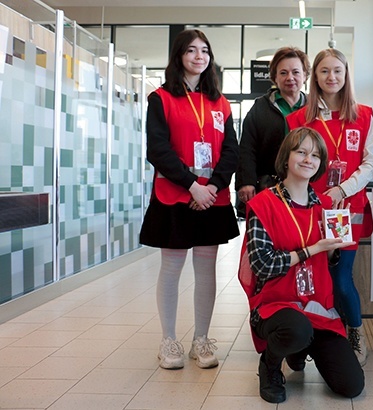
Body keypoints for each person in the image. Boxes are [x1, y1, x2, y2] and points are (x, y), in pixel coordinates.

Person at [238, 127, 365, 404]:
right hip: (275, 304)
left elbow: (328, 263)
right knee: (296, 330)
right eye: (302, 152)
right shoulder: (264, 204)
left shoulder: (324, 208)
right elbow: (262, 265)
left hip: (316, 307)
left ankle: (299, 348)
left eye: (316, 155)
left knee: (351, 385)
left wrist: (333, 250)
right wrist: (311, 250)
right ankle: (270, 366)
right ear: (286, 158)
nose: (309, 159)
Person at [139, 29, 240, 370]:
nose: (199, 56)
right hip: (175, 197)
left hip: (212, 198)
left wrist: (211, 187)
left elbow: (231, 151)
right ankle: (168, 340)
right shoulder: (161, 98)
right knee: (172, 266)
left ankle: (201, 339)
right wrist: (191, 186)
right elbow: (158, 150)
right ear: (179, 55)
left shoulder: (220, 102)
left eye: (205, 50)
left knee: (206, 267)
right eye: (192, 50)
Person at [286, 48, 373, 366]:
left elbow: (370, 164)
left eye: (337, 70)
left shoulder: (364, 114)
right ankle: (302, 342)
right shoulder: (299, 120)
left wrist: (342, 188)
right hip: (309, 212)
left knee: (340, 280)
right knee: (309, 278)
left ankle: (354, 333)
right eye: (324, 71)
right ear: (315, 77)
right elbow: (294, 164)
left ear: (346, 74)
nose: (332, 77)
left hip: (346, 211)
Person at [236, 46, 310, 210]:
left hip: (307, 187)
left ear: (305, 75)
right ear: (275, 77)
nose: (290, 77)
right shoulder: (260, 107)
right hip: (268, 186)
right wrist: (246, 181)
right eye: (283, 73)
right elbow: (247, 147)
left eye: (296, 72)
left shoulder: (315, 108)